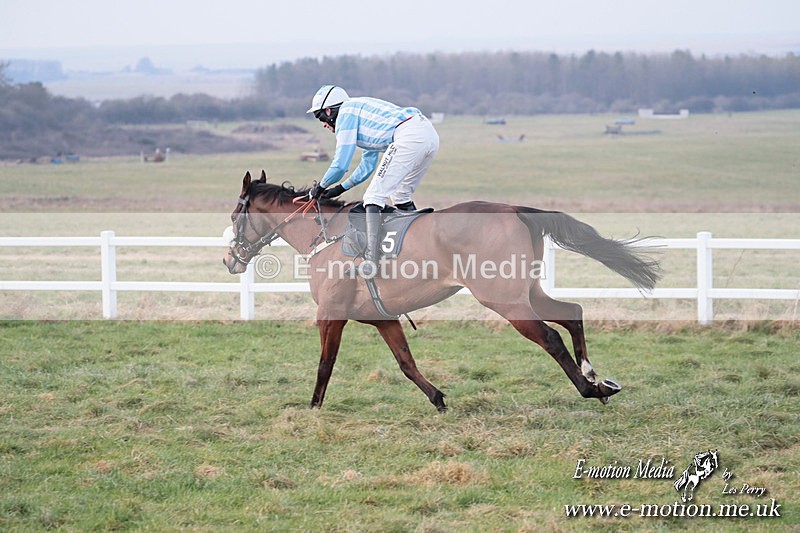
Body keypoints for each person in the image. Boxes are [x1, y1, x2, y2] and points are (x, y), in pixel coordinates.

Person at [306, 85, 439, 278]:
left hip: (409, 136)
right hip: (428, 134)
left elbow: (340, 165)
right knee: (400, 195)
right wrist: (340, 188)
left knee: (373, 196)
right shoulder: (358, 113)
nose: (324, 125)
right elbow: (367, 165)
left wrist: (319, 187)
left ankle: (371, 262)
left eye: (320, 117)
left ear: (329, 110)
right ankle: (420, 248)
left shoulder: (345, 115)